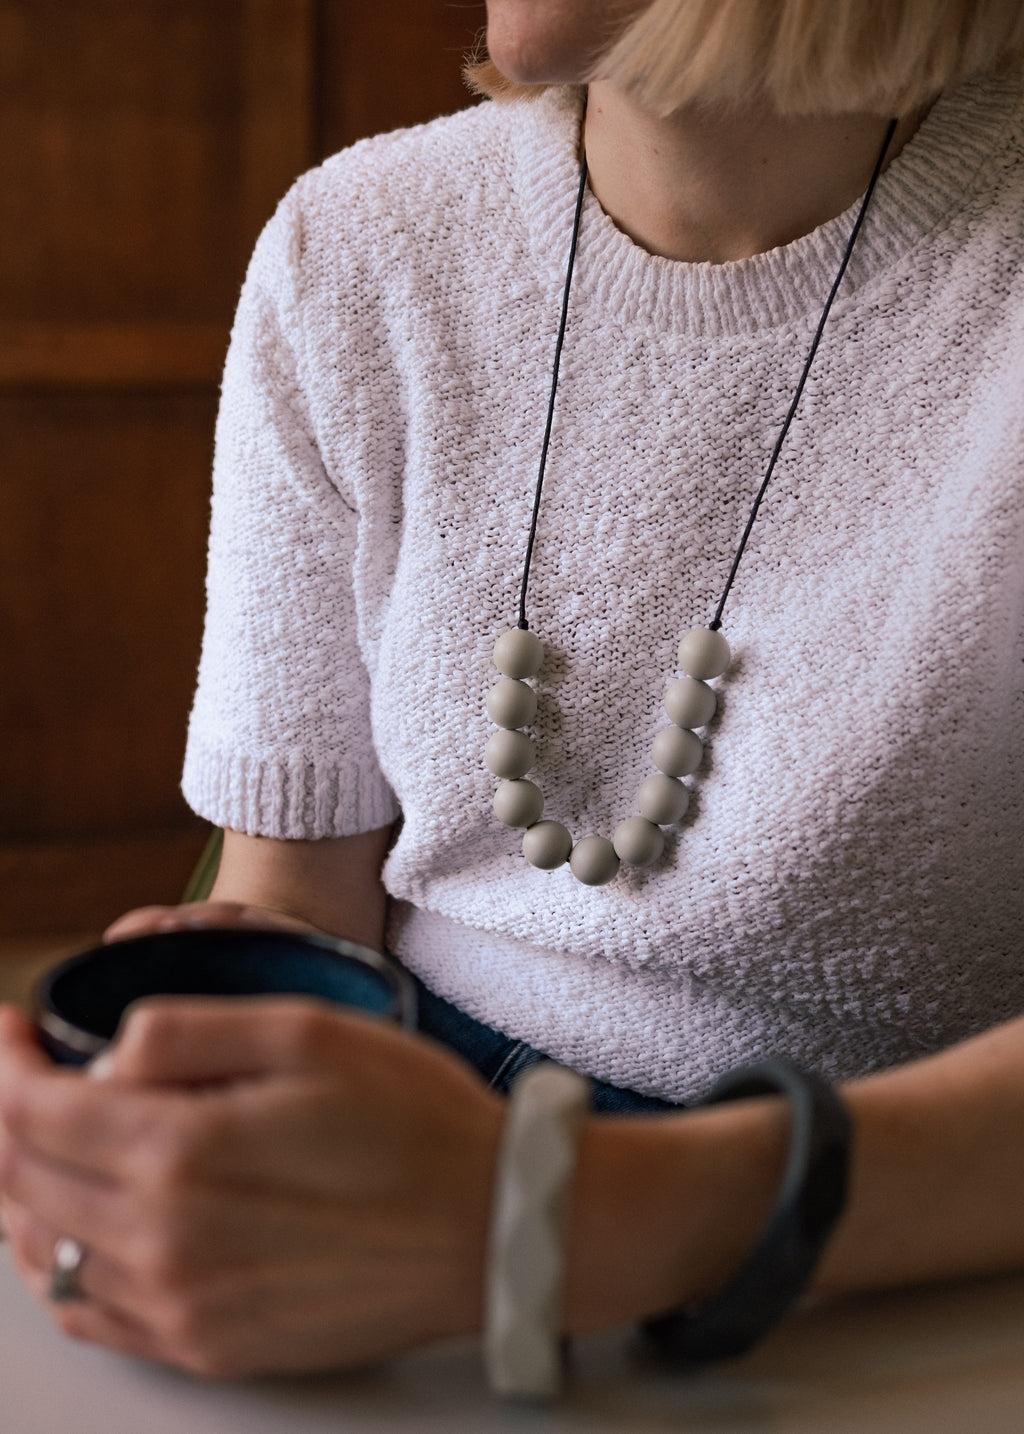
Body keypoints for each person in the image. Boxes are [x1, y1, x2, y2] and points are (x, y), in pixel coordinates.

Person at [1, 0, 1023, 1386]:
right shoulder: (356, 245)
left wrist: (581, 1210)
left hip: (909, 1242)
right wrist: (211, 1073)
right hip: (412, 1164)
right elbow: (301, 901)